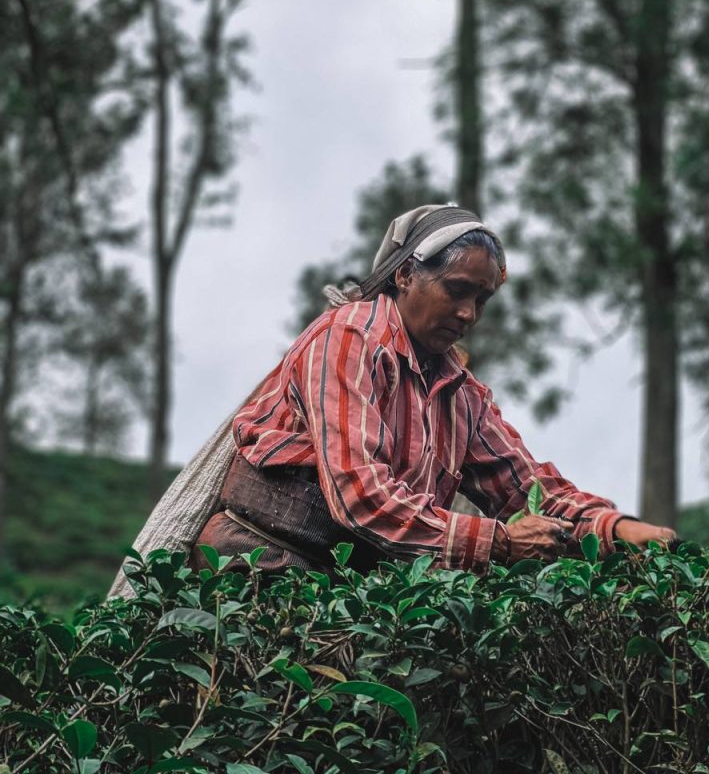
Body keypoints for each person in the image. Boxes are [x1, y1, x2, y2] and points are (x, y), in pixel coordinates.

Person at [191, 204, 675, 577]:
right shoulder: (350, 338)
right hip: (260, 569)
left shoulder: (462, 396)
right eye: (457, 290)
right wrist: (498, 543)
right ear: (404, 275)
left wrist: (619, 530)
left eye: (481, 300)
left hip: (358, 589)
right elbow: (359, 493)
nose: (470, 314)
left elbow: (529, 493)